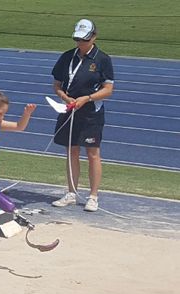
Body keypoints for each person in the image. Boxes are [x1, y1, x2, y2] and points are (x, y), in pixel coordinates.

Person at [50, 19, 114, 212]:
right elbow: (57, 85)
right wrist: (64, 97)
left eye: (84, 40)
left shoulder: (102, 59)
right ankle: (71, 192)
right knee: (71, 151)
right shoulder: (67, 57)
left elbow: (108, 89)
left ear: (93, 37)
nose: (80, 43)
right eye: (78, 39)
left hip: (90, 113)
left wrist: (87, 98)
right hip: (70, 109)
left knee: (92, 152)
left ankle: (93, 196)